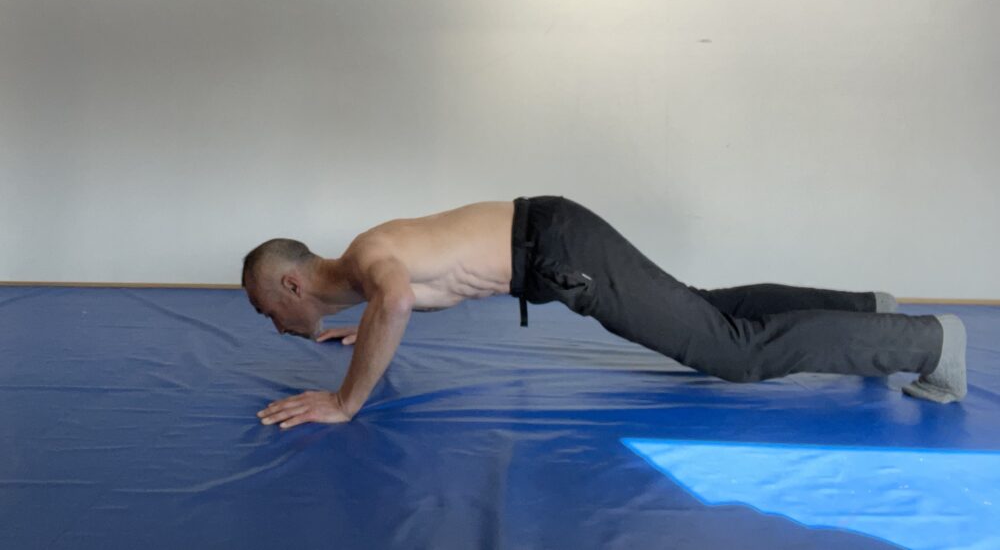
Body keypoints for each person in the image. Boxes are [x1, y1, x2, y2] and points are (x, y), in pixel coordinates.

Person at [244, 196, 967, 429]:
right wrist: (369, 327)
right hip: (556, 234)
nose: (270, 323)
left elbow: (399, 297)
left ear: (292, 287)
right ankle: (871, 311)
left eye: (265, 309)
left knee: (729, 351)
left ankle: (929, 345)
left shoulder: (371, 261)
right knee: (706, 309)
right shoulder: (370, 271)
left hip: (559, 248)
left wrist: (345, 401)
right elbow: (404, 296)